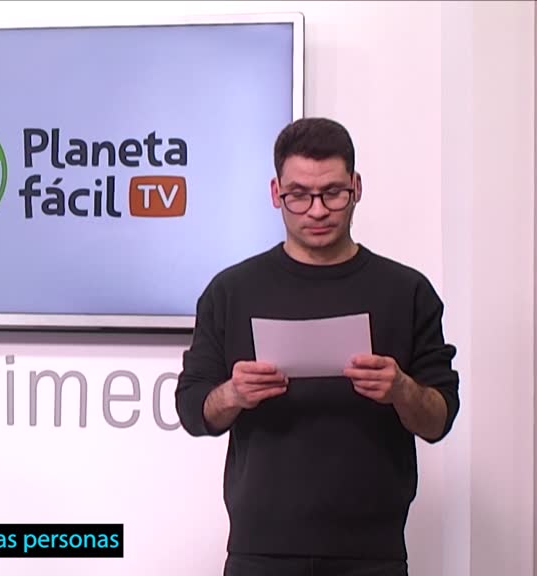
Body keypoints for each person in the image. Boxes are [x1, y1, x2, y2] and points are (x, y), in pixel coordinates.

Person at [175, 117, 460, 576]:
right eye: (299, 195)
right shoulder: (231, 291)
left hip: (373, 553)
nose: (317, 210)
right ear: (276, 193)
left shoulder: (406, 291)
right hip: (260, 550)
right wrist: (232, 394)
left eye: (333, 193)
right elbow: (192, 410)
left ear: (356, 187)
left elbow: (439, 419)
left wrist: (401, 389)